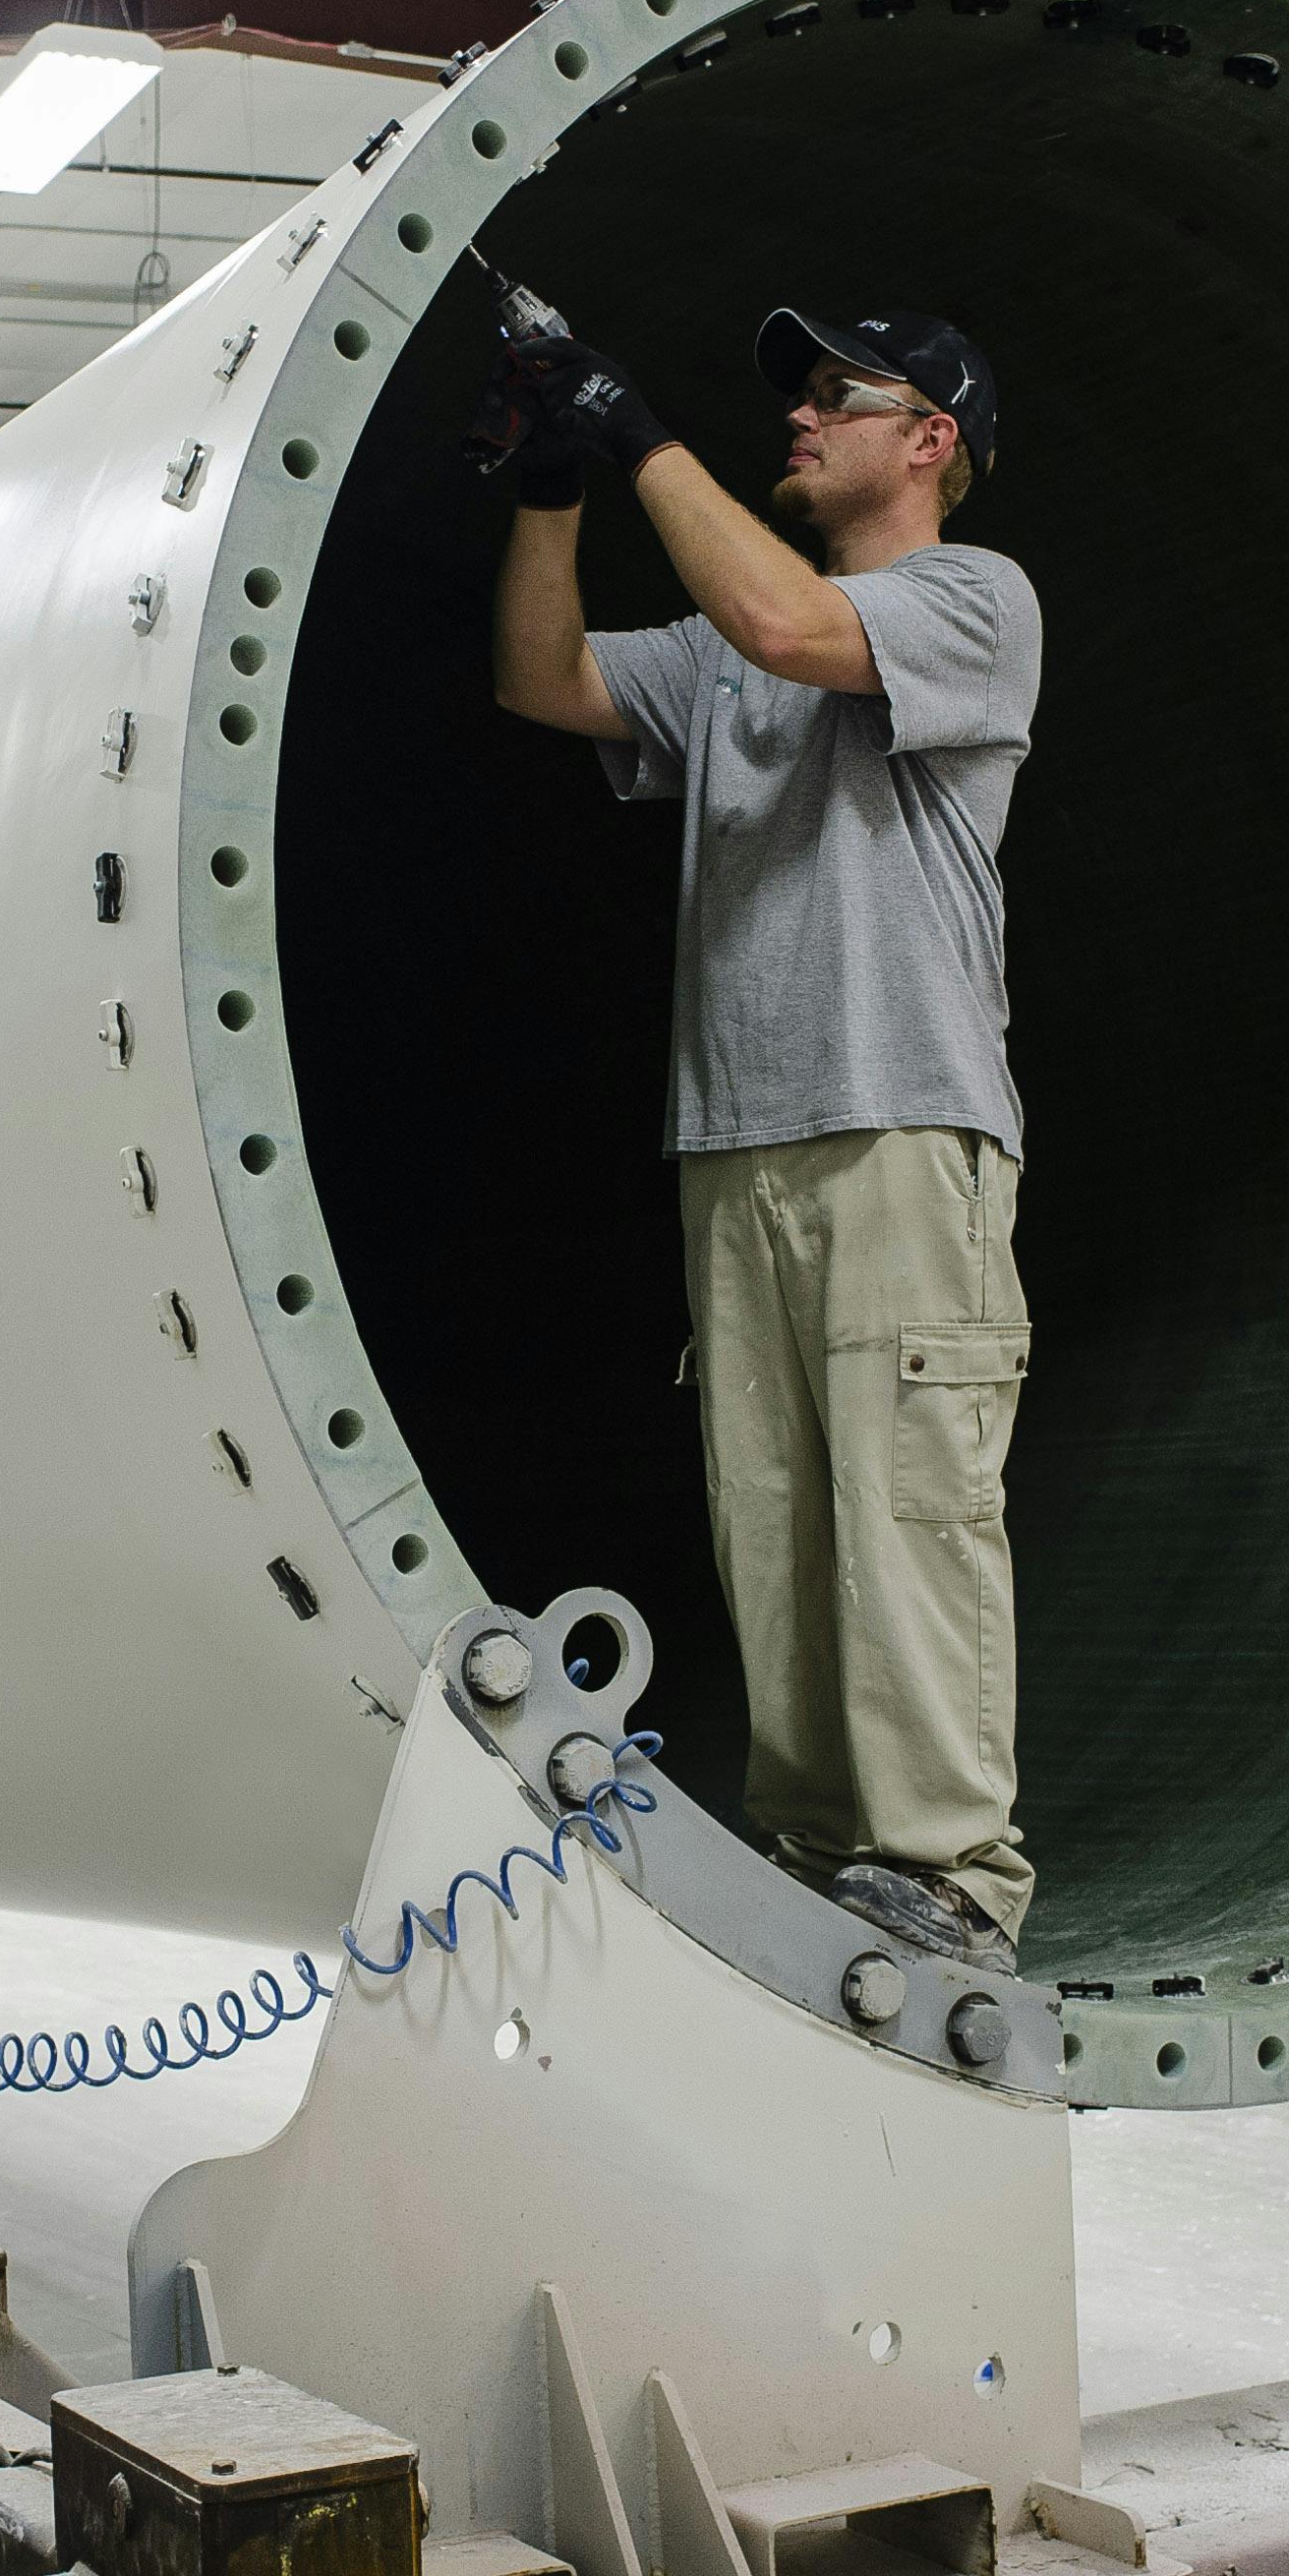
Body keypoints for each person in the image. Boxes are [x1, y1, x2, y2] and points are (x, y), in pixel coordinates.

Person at [486, 304, 1043, 1969]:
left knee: (907, 1503)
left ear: (927, 438)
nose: (799, 416)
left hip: (898, 1123)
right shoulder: (723, 651)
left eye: (833, 395)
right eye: (790, 390)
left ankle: (951, 1869)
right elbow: (545, 678)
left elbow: (796, 624)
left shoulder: (969, 598)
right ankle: (820, 1849)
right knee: (779, 1507)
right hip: (736, 1140)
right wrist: (557, 487)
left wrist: (642, 424)